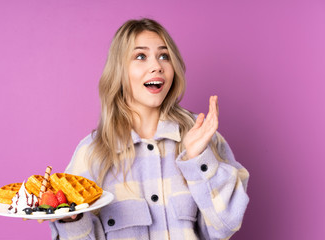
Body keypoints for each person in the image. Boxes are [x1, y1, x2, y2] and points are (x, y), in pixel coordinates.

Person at [48, 18, 249, 240]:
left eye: (164, 56)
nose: (157, 66)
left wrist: (198, 158)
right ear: (120, 71)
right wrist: (71, 219)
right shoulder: (93, 152)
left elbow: (226, 225)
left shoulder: (201, 136)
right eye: (140, 56)